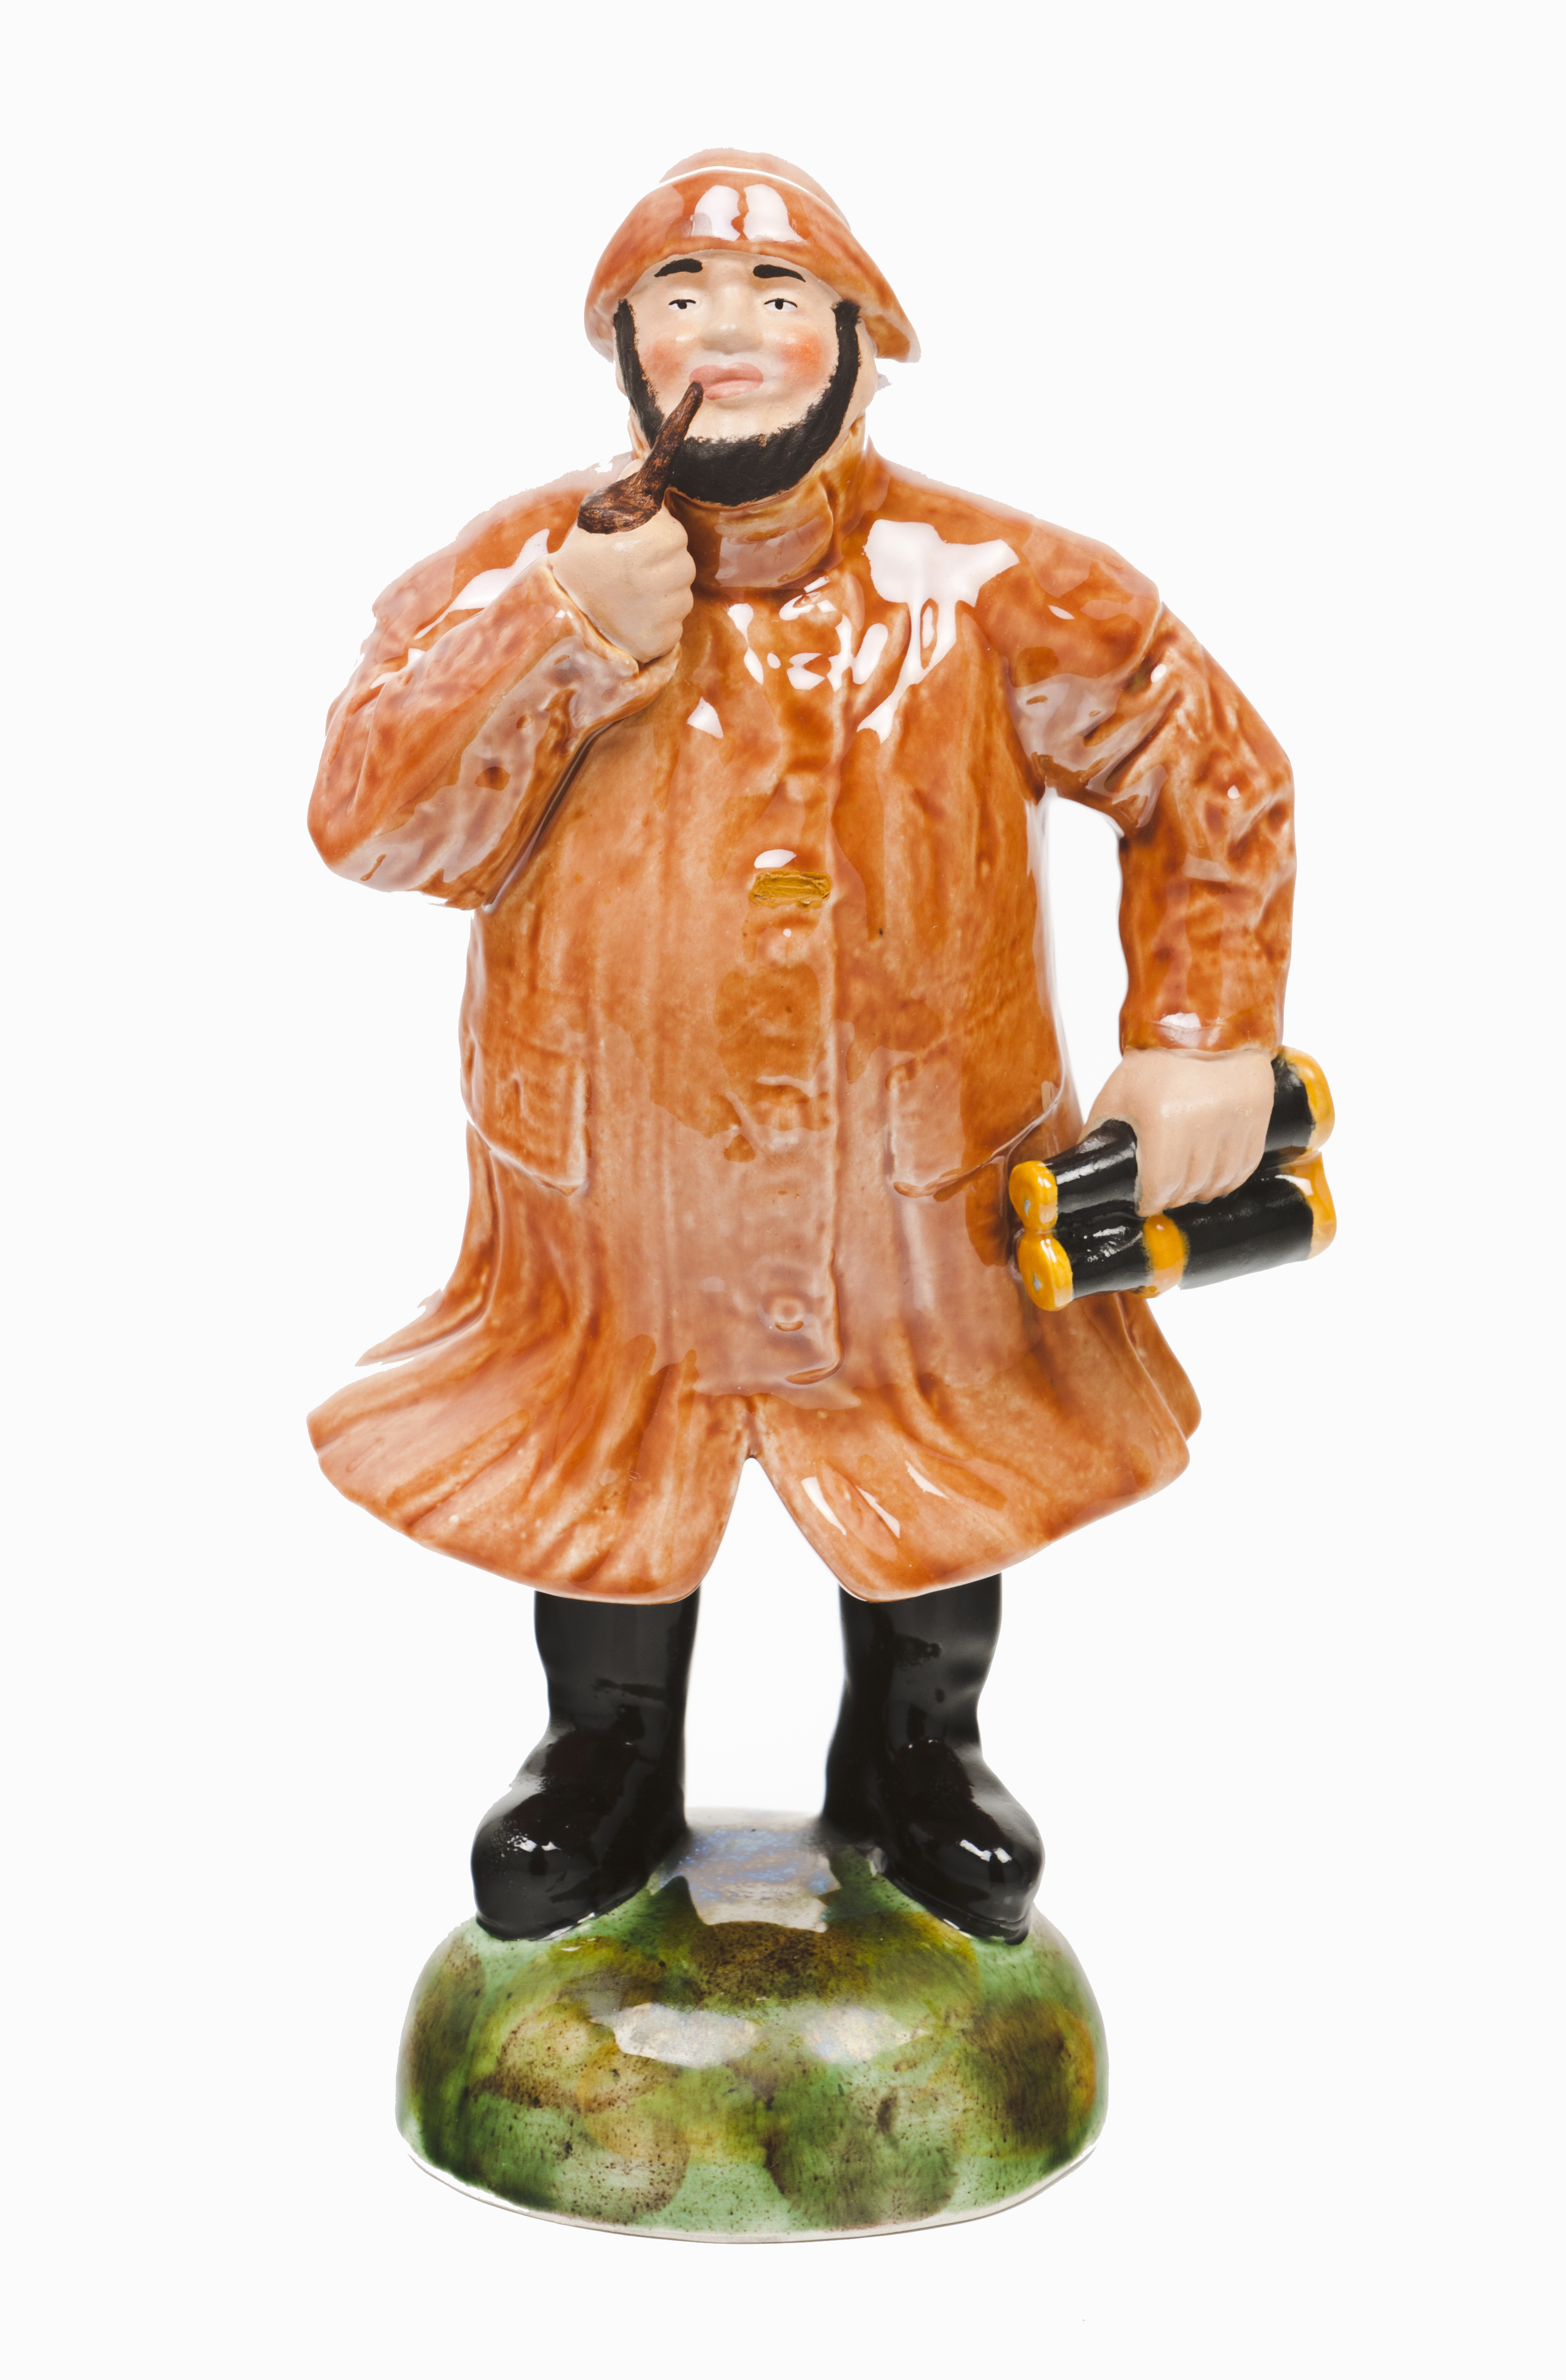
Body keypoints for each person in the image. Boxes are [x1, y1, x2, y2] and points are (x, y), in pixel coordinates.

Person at [307, 150, 1294, 1945]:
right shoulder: (519, 569)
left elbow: (1205, 765)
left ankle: (921, 1750)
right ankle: (603, 1755)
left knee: (945, 1461)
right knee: (605, 1470)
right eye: (682, 295)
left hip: (919, 1185)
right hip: (614, 1189)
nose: (731, 333)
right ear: (623, 341)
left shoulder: (990, 583)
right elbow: (374, 822)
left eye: (778, 297)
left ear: (859, 340)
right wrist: (553, 635)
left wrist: (1203, 1034)